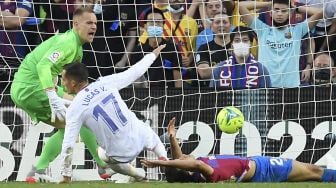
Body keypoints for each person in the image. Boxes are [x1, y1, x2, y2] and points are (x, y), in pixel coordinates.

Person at [10, 7, 110, 182]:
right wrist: (52, 95)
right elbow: (43, 66)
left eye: (95, 23)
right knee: (80, 118)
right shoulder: (67, 43)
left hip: (27, 88)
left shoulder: (77, 48)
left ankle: (37, 171)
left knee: (75, 119)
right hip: (31, 87)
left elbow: (69, 82)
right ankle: (101, 164)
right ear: (76, 24)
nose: (94, 26)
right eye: (89, 23)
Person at [59, 45, 168, 183]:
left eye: (64, 79)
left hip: (120, 153)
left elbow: (68, 144)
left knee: (101, 155)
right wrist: (152, 55)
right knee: (150, 135)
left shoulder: (75, 108)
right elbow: (134, 72)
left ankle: (137, 175)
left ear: (73, 83)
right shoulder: (105, 82)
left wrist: (66, 174)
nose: (63, 83)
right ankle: (166, 162)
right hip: (140, 136)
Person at [141, 117, 336, 183]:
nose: (183, 156)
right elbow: (192, 163)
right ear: (188, 169)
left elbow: (182, 160)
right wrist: (161, 162)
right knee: (314, 171)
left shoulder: (198, 167)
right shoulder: (209, 173)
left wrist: (173, 138)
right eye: (183, 162)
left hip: (258, 163)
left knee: (313, 171)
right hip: (265, 170)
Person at [239, 0, 323, 88]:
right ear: (271, 13)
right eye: (276, 10)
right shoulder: (262, 30)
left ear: (290, 14)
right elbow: (241, 6)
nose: (279, 14)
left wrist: (296, 8)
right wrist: (268, 4)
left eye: (284, 11)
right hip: (266, 86)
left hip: (290, 88)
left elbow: (320, 12)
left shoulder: (297, 30)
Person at [131, 8, 183, 88]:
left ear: (163, 26)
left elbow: (177, 80)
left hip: (168, 95)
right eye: (151, 22)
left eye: (158, 22)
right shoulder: (137, 51)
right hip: (145, 95)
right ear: (145, 26)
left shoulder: (173, 49)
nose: (155, 25)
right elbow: (135, 81)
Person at [196, 13, 231, 87]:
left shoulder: (237, 47)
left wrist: (216, 69)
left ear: (230, 25)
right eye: (217, 22)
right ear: (212, 26)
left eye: (225, 22)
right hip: (211, 92)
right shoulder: (204, 48)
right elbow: (204, 73)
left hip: (234, 90)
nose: (221, 25)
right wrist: (233, 66)